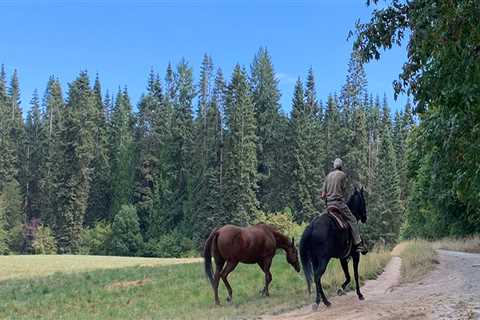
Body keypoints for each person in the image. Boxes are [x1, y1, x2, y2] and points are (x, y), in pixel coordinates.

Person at [321, 158, 367, 254]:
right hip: (338, 204)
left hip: (329, 205)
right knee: (353, 220)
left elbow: (323, 195)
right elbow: (344, 191)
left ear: (334, 166)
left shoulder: (328, 176)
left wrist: (327, 199)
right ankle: (358, 244)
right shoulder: (342, 175)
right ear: (341, 166)